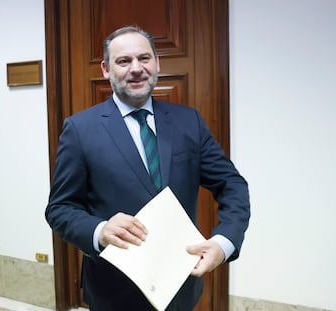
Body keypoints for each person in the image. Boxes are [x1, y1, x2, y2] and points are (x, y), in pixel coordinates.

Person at [46, 26, 250, 311]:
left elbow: (232, 185)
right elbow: (59, 209)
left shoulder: (188, 121)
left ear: (157, 64)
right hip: (113, 292)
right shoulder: (80, 129)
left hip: (182, 286)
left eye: (144, 58)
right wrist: (100, 230)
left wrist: (223, 242)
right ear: (106, 69)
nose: (136, 69)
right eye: (123, 61)